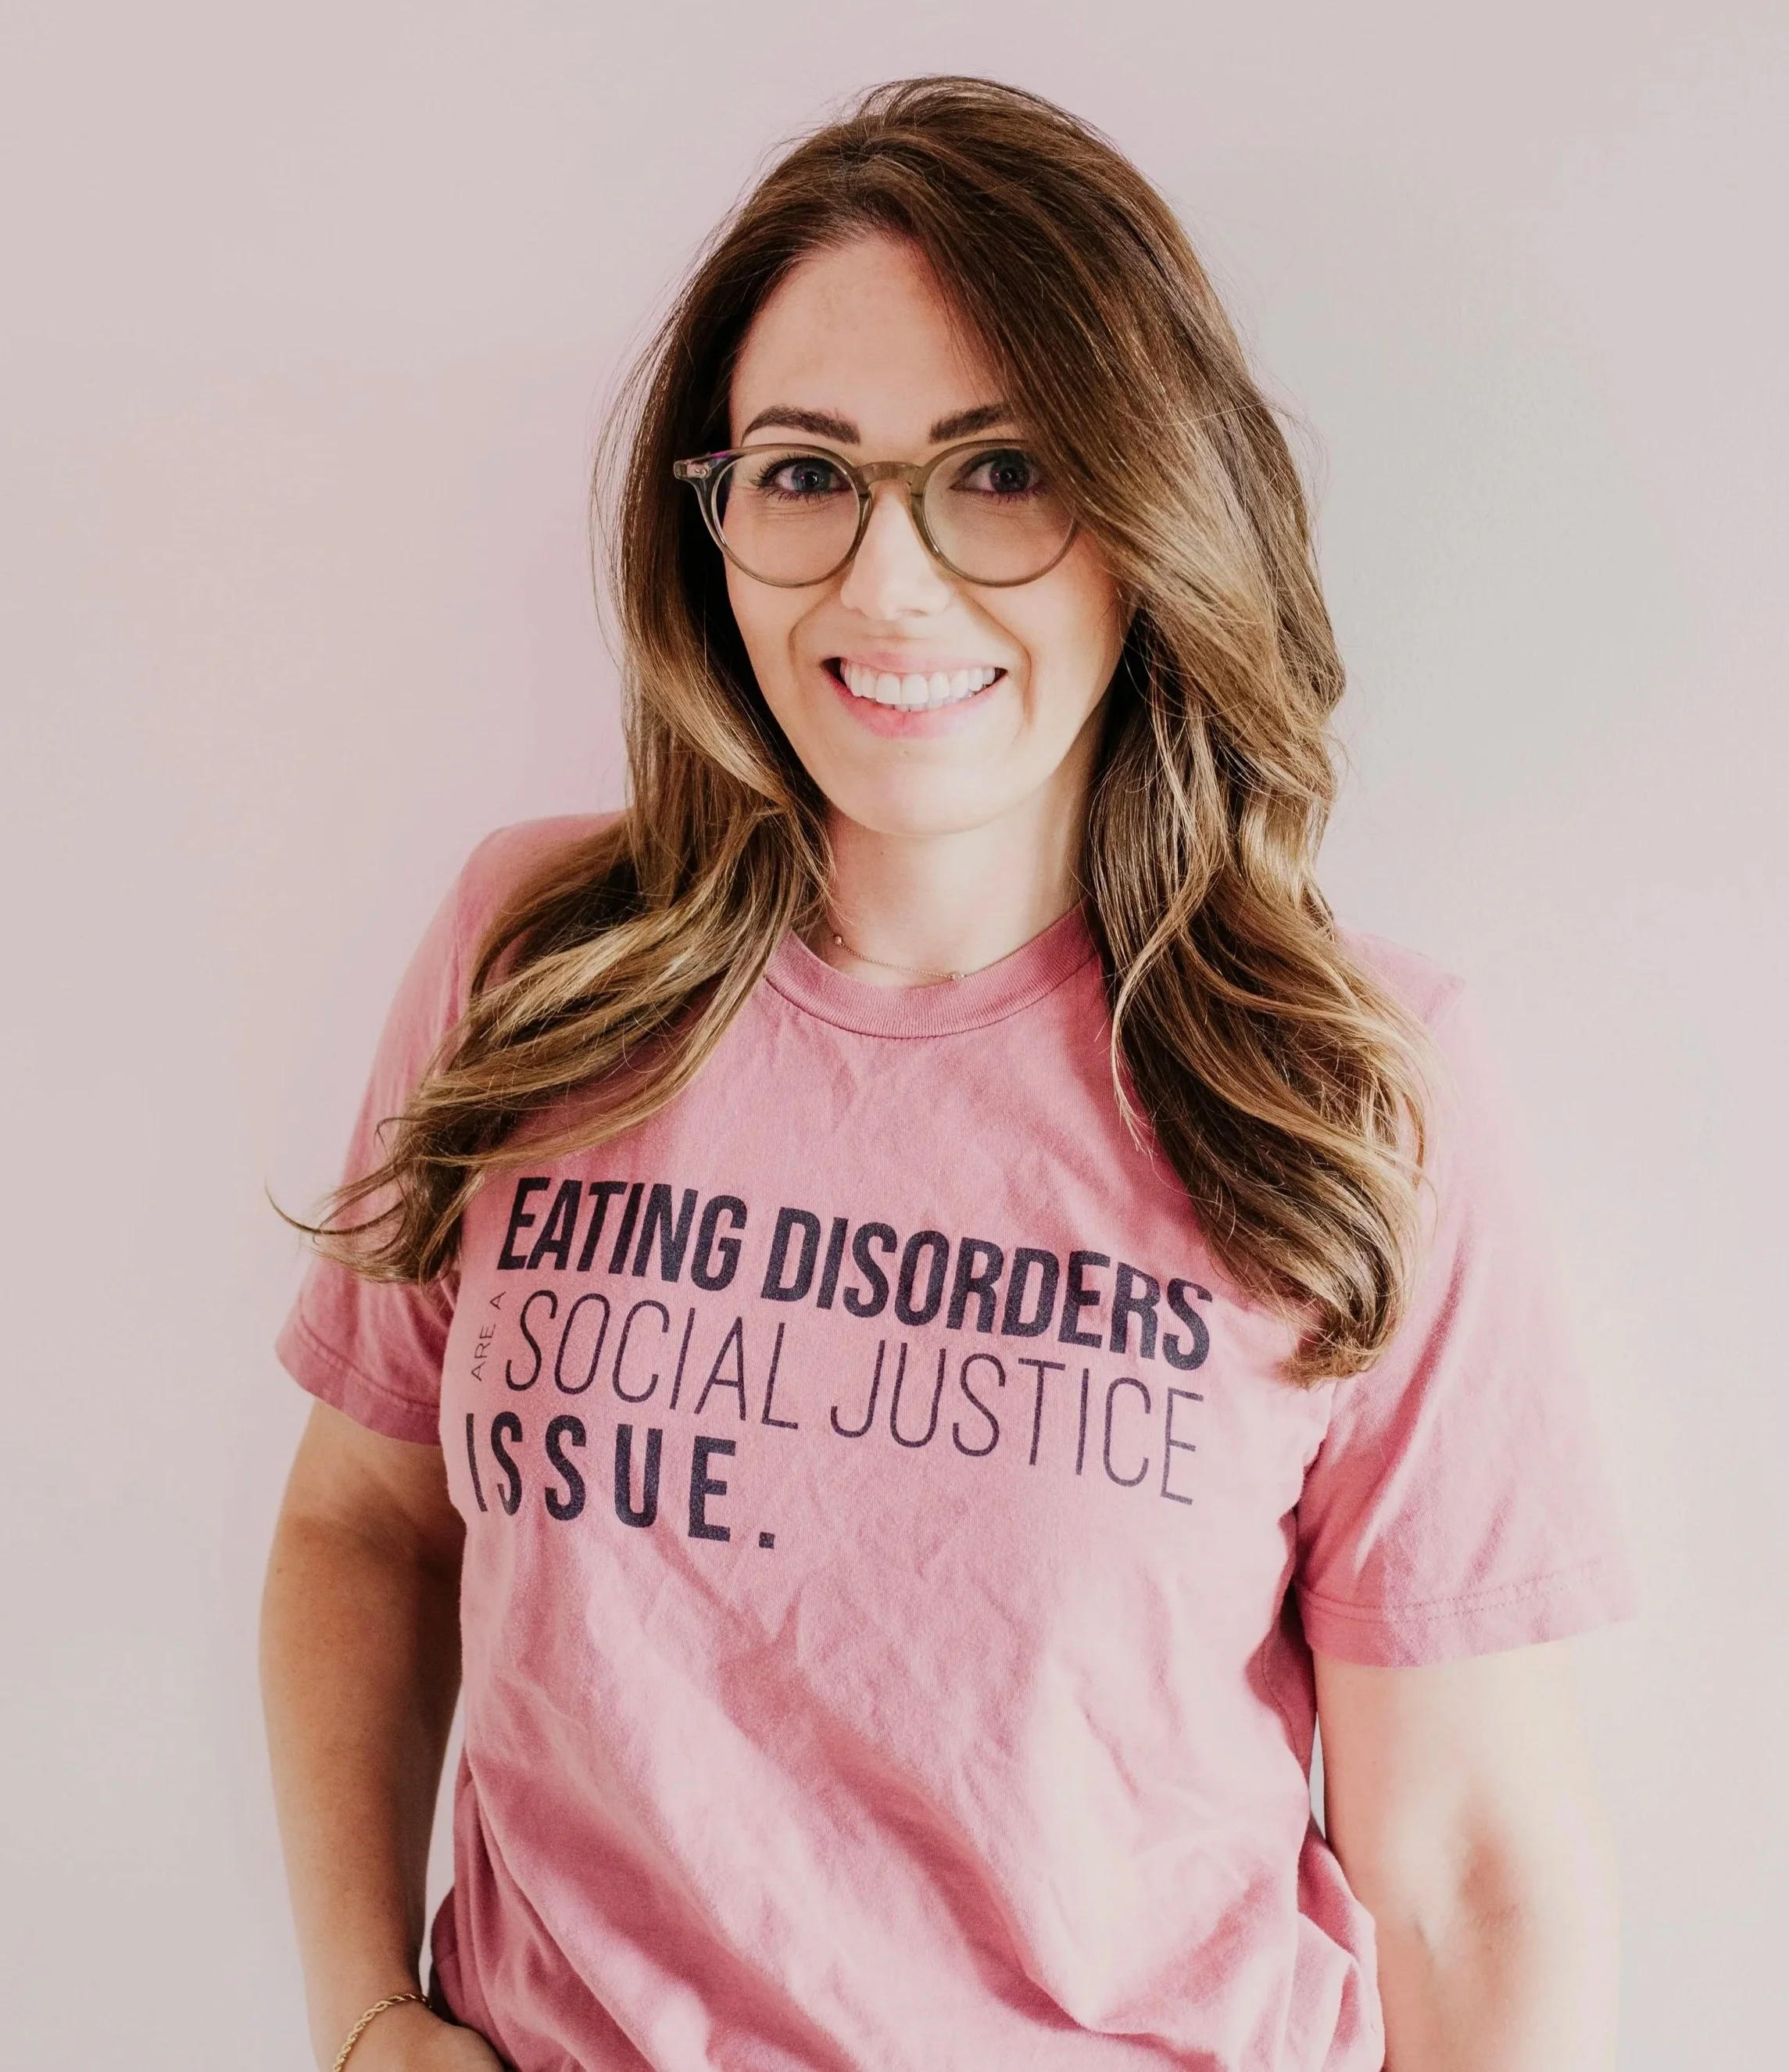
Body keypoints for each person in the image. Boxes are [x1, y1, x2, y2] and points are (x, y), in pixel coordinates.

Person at [261, 76, 1640, 2072]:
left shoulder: (1345, 1083)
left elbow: (1470, 1868)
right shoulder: (535, 960)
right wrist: (371, 2015)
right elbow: (364, 1528)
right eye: (806, 474)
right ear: (713, 515)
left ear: (1149, 510)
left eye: (1000, 471)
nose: (887, 585)